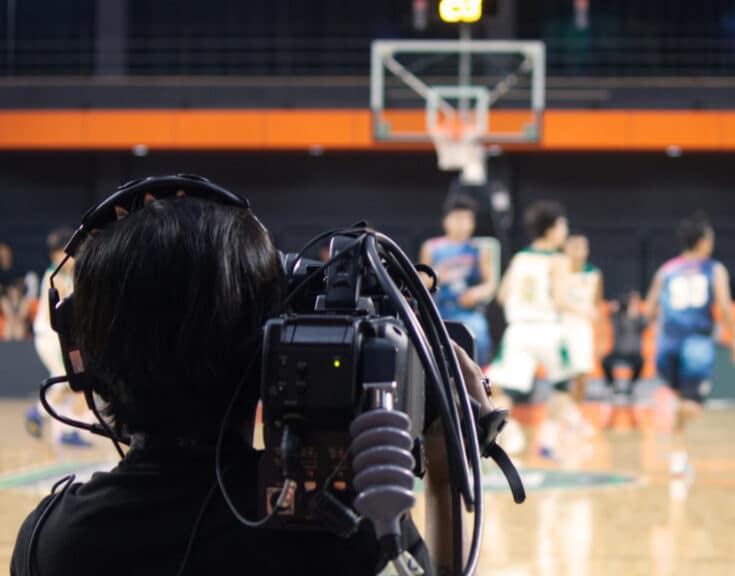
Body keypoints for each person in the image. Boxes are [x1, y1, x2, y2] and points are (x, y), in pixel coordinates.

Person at [11, 190, 491, 576]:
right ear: (271, 349)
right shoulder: (345, 535)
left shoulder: (51, 542)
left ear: (85, 357)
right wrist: (444, 476)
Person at [645, 211, 735, 479]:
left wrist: (659, 329)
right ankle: (669, 412)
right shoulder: (714, 268)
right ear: (702, 241)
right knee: (692, 406)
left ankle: (678, 460)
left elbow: (650, 308)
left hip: (667, 344)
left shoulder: (666, 269)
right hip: (695, 345)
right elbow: (724, 306)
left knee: (682, 399)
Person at [487, 201, 590, 459]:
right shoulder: (559, 260)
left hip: (518, 330)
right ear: (552, 229)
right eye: (563, 225)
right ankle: (548, 441)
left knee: (505, 391)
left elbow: (501, 296)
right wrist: (584, 310)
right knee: (562, 388)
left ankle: (510, 432)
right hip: (547, 330)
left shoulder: (520, 257)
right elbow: (559, 300)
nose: (565, 231)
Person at [25, 228, 94, 446]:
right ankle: (37, 413)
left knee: (76, 381)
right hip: (49, 336)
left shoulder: (68, 274)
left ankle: (68, 430)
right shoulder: (55, 275)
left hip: (63, 338)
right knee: (66, 378)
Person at [420, 194, 498, 364]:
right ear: (446, 221)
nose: (462, 223)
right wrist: (437, 276)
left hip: (466, 311)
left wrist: (476, 293)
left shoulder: (479, 249)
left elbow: (490, 283)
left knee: (479, 335)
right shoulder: (432, 247)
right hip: (438, 309)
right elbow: (421, 282)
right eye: (457, 218)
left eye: (467, 219)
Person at [563, 234, 603, 404]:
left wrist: (600, 337)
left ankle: (576, 410)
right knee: (563, 375)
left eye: (583, 248)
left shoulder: (593, 274)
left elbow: (597, 306)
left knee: (582, 373)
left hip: (582, 327)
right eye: (575, 247)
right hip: (561, 324)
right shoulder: (559, 272)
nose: (580, 252)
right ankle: (562, 414)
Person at [601, 291, 648, 395]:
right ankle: (612, 385)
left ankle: (631, 386)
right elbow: (610, 314)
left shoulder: (639, 317)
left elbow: (645, 325)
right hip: (618, 351)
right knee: (604, 361)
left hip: (633, 353)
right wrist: (614, 309)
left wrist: (636, 315)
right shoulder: (619, 316)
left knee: (640, 361)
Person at [0, 243, 31, 341]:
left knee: (19, 325)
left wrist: (16, 290)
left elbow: (22, 283)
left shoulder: (17, 268)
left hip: (19, 298)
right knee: (9, 324)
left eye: (5, 252)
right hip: (5, 298)